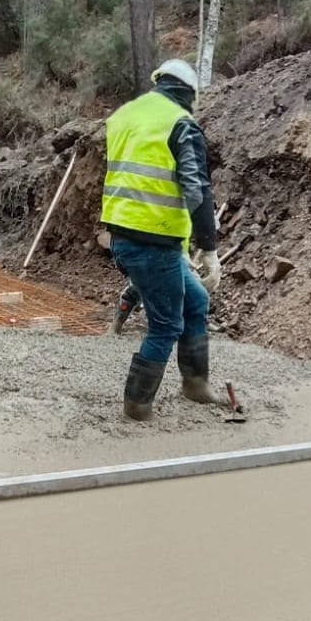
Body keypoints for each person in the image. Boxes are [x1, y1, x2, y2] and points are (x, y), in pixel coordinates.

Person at [101, 59, 222, 421]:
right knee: (167, 324)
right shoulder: (179, 123)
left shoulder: (126, 116)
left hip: (126, 235)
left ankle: (195, 385)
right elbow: (196, 189)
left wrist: (182, 244)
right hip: (151, 241)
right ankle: (137, 407)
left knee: (195, 300)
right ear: (189, 93)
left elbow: (142, 181)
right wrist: (210, 251)